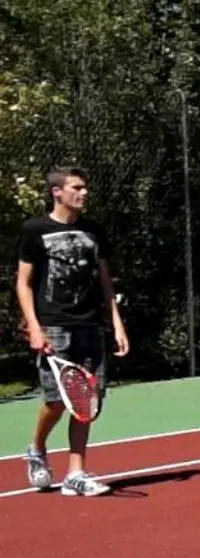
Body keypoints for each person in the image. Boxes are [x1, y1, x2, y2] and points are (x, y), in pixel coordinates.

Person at [16, 166, 129, 496]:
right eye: (76, 187)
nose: (84, 193)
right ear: (57, 192)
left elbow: (105, 282)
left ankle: (75, 474)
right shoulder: (35, 230)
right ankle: (36, 448)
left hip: (92, 327)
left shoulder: (93, 231)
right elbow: (23, 283)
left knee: (86, 402)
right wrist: (35, 328)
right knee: (55, 401)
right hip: (54, 327)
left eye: (85, 187)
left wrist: (117, 324)